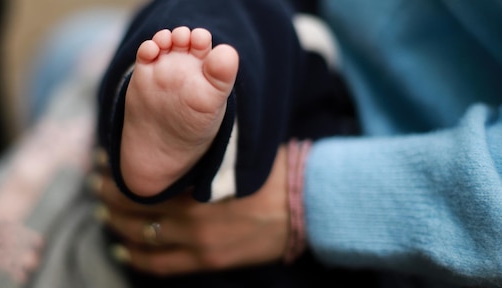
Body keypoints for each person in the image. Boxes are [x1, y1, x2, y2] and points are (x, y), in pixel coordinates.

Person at [96, 0, 502, 287]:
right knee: (71, 50)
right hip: (322, 76)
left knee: (224, 23)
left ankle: (177, 111)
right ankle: (180, 125)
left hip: (394, 234)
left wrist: (306, 197)